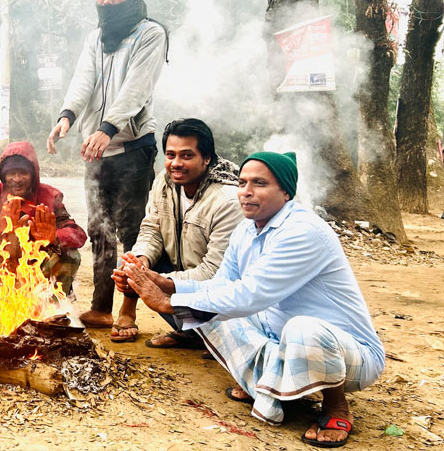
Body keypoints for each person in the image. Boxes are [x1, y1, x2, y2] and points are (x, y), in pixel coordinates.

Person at [118, 151, 384, 448]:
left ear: (285, 191)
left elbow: (250, 294)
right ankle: (269, 385)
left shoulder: (303, 231)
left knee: (301, 328)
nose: (245, 192)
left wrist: (169, 303)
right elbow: (221, 285)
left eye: (259, 183)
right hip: (280, 338)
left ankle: (335, 406)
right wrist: (164, 283)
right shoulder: (246, 229)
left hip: (350, 357)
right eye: (242, 182)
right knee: (212, 314)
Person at [47, 0, 168, 329]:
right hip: (96, 149)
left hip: (133, 147)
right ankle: (100, 306)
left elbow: (138, 86)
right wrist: (67, 116)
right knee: (99, 229)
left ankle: (127, 311)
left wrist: (108, 128)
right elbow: (83, 79)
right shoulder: (96, 38)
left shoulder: (151, 33)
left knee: (131, 230)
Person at [108, 118, 242, 346]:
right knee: (133, 262)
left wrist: (158, 281)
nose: (176, 163)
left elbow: (216, 274)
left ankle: (205, 336)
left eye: (187, 156)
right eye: (171, 155)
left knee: (143, 275)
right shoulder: (164, 181)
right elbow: (151, 228)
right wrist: (141, 264)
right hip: (180, 280)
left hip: (215, 293)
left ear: (207, 158)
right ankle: (136, 315)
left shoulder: (227, 200)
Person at [0, 141, 86, 334]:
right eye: (11, 173)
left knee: (71, 255)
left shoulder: (49, 196)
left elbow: (77, 234)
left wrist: (52, 238)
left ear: (33, 175)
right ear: (3, 176)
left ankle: (50, 314)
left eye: (23, 173)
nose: (17, 179)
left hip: (35, 275)